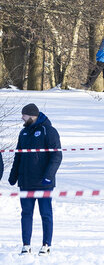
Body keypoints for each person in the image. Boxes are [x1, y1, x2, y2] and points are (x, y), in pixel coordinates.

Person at [9, 103, 62, 255]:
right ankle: (26, 245)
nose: (22, 118)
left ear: (32, 116)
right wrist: (13, 176)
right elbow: (18, 156)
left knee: (45, 213)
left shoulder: (48, 131)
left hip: (43, 183)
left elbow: (57, 156)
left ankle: (46, 245)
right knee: (26, 213)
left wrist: (48, 176)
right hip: (26, 182)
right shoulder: (23, 133)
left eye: (24, 116)